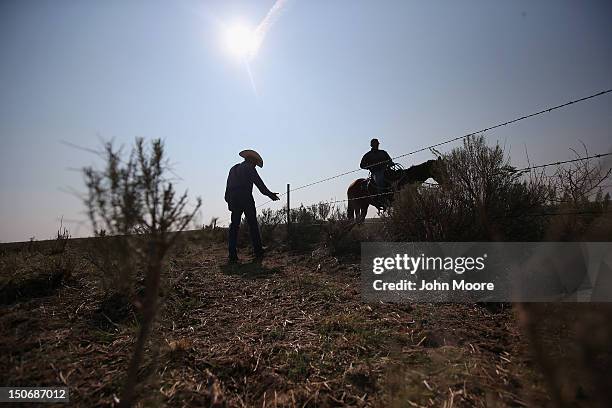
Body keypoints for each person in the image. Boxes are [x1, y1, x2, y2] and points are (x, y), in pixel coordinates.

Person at [225, 149, 280, 263]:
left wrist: (229, 201)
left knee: (234, 225)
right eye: (255, 164)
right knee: (253, 224)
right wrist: (271, 195)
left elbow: (227, 188)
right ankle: (258, 251)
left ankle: (232, 254)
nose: (255, 166)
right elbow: (260, 185)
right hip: (245, 197)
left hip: (234, 198)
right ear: (252, 160)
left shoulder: (233, 169)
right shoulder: (249, 168)